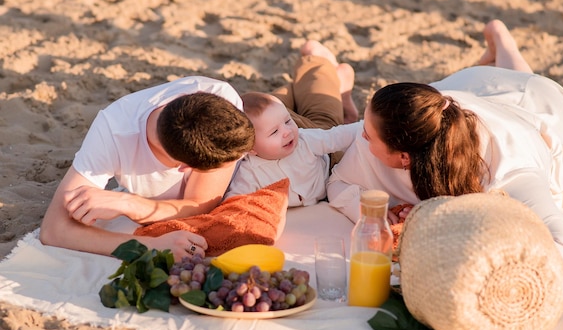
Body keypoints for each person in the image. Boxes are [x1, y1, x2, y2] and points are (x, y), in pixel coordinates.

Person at [40, 40, 359, 261]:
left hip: (275, 138)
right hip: (263, 130)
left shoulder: (219, 98)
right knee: (275, 110)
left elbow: (199, 204)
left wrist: (128, 202)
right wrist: (148, 244)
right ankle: (299, 86)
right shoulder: (111, 133)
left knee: (321, 121)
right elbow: (54, 230)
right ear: (184, 168)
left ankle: (319, 65)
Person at [327, 20, 563, 273]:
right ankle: (499, 42)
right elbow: (337, 182)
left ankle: (504, 45)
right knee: (507, 82)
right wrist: (368, 211)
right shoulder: (394, 130)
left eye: (369, 135)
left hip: (541, 106)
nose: (360, 137)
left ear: (404, 157)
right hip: (469, 88)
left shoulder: (510, 173)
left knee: (524, 82)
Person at [224, 91, 361, 207]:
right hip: (308, 217)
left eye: (288, 121)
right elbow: (233, 202)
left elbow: (337, 137)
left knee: (325, 119)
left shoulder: (304, 140)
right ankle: (288, 93)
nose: (287, 131)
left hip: (329, 163)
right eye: (274, 132)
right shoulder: (249, 173)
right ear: (250, 148)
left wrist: (365, 127)